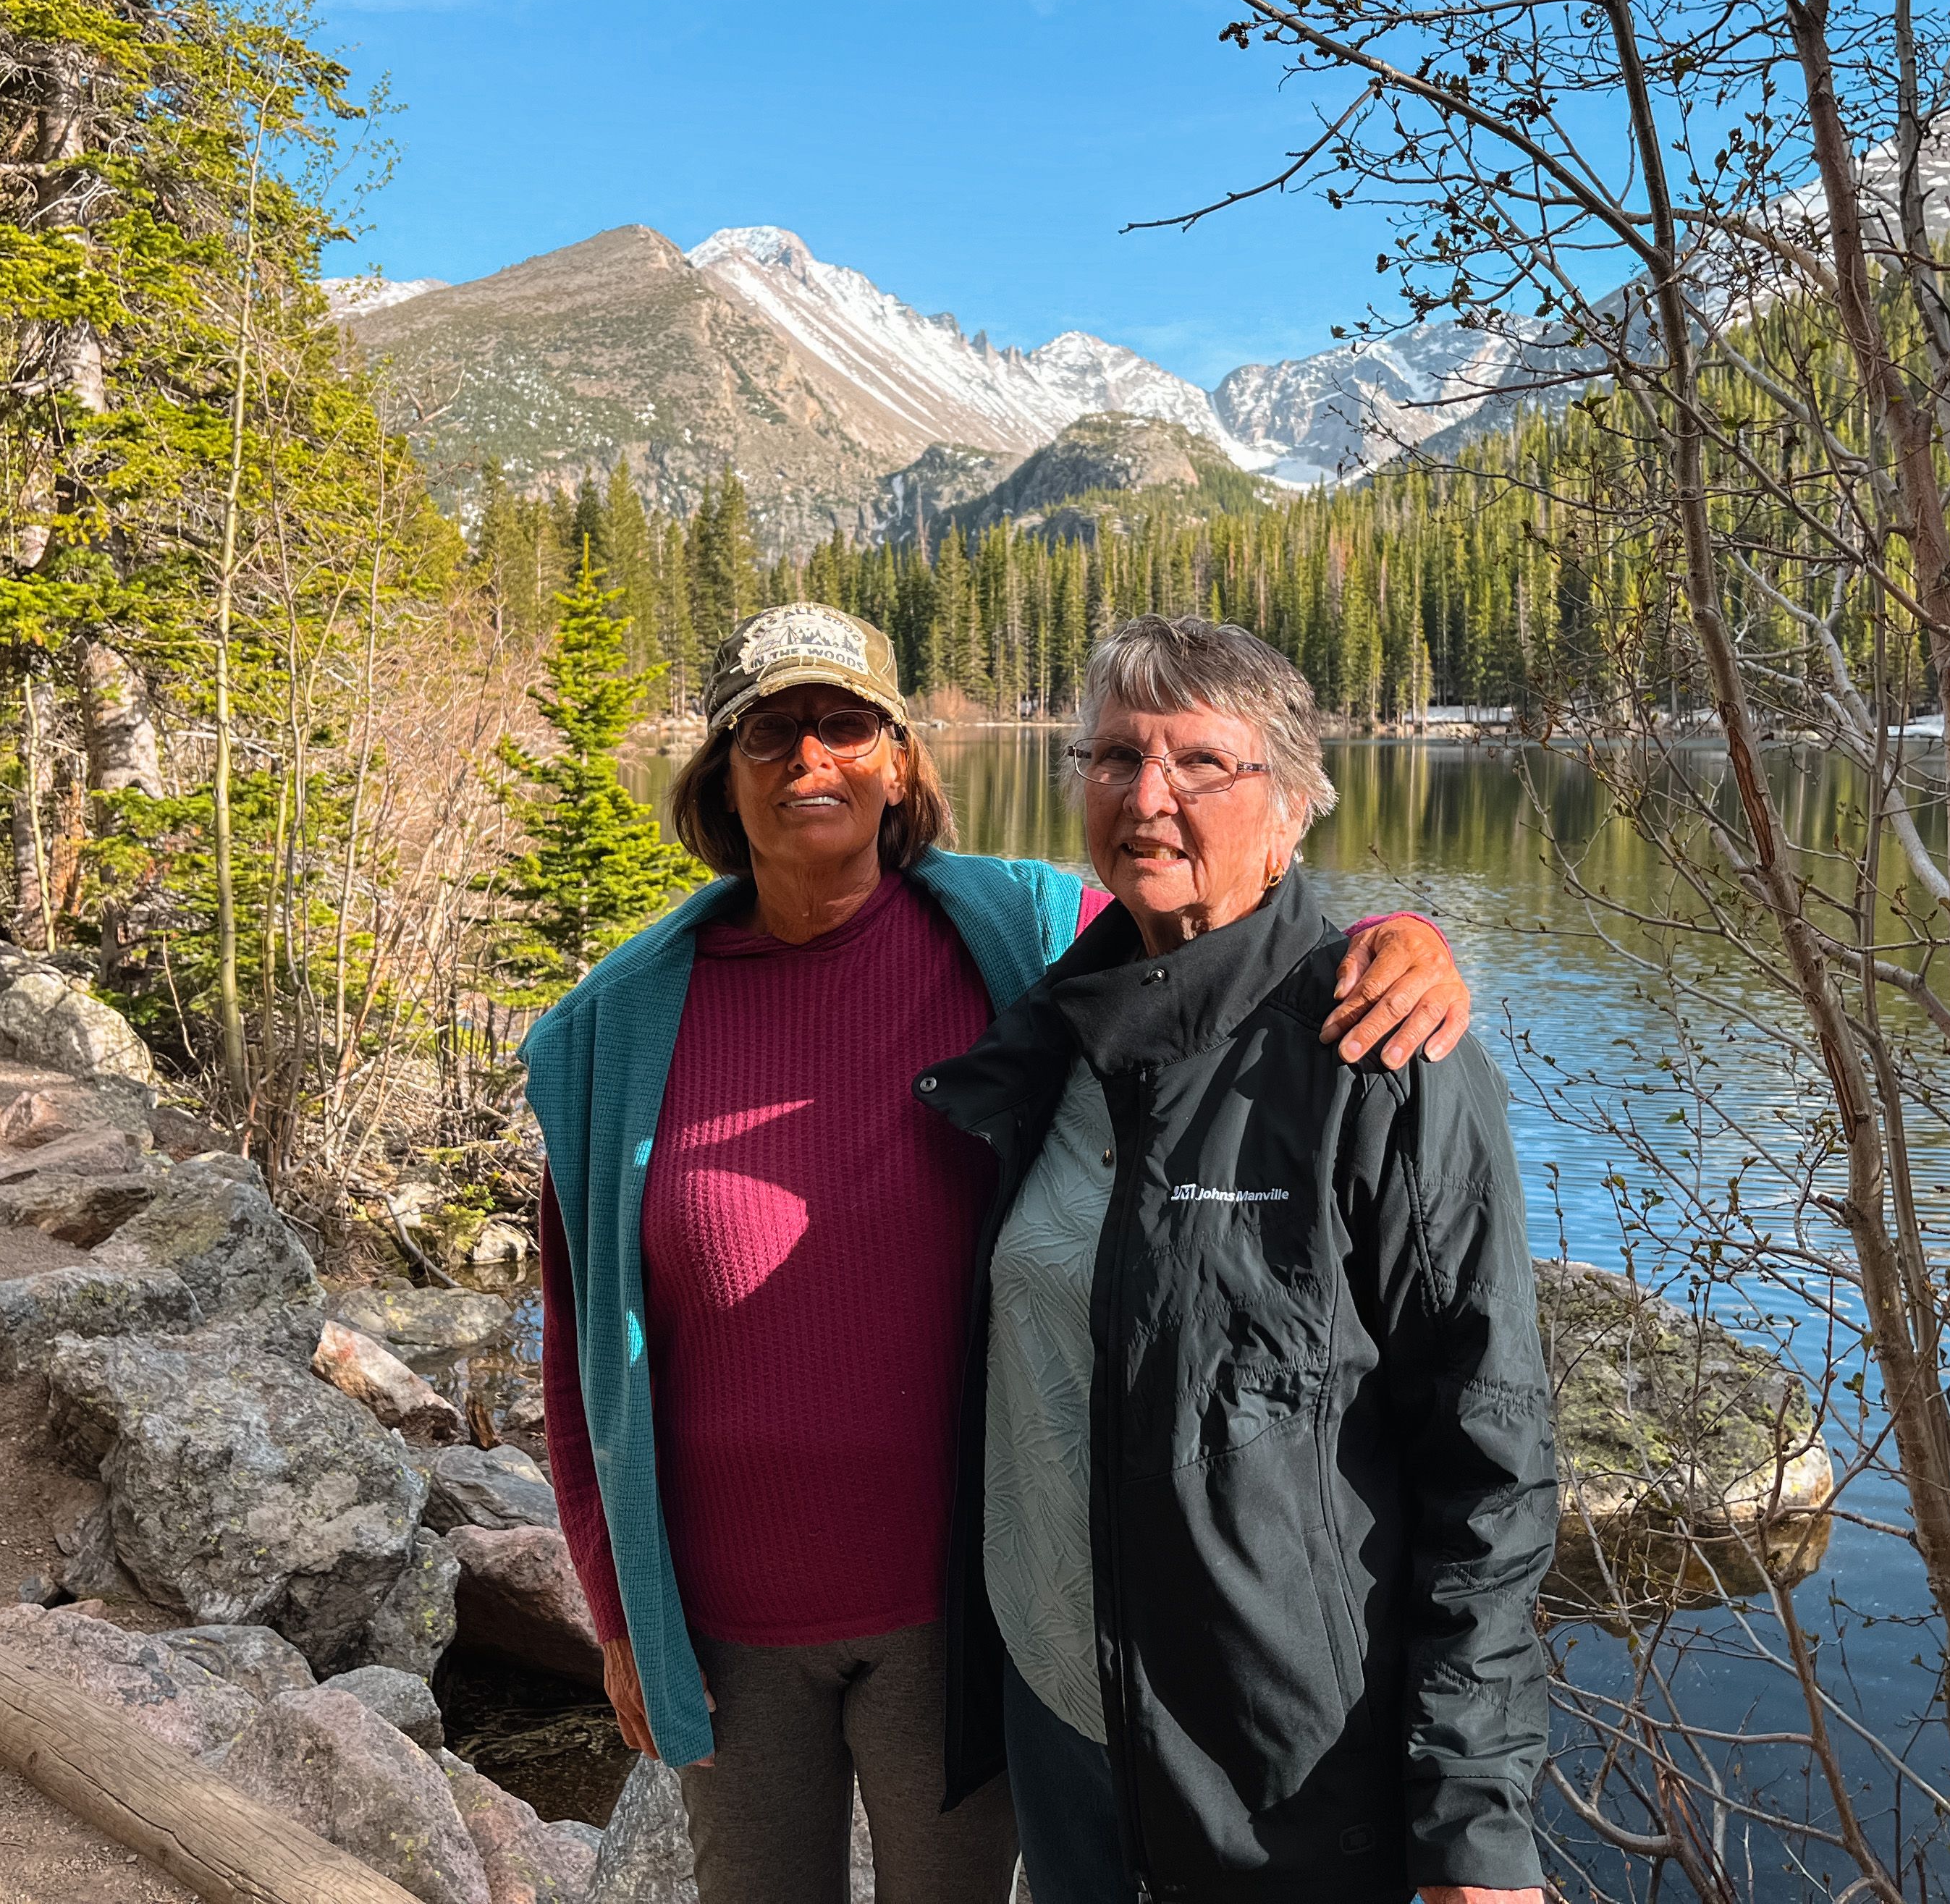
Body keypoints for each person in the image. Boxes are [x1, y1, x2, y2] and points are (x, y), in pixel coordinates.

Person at [523, 601, 1478, 1904]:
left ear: (903, 762)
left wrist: (1402, 940)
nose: (813, 760)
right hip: (726, 1624)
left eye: (847, 725)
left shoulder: (1016, 933)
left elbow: (1222, 926)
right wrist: (613, 1594)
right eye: (772, 733)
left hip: (960, 1615)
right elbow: (579, 1343)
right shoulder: (613, 1028)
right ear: (720, 774)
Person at [917, 614, 1556, 1904]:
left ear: (1294, 806)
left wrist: (1473, 1817)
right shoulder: (1056, 1034)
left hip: (1280, 1776)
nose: (1148, 797)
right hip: (1061, 1713)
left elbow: (1490, 1455)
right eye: (1112, 757)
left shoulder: (1384, 1060)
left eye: (1203, 763)